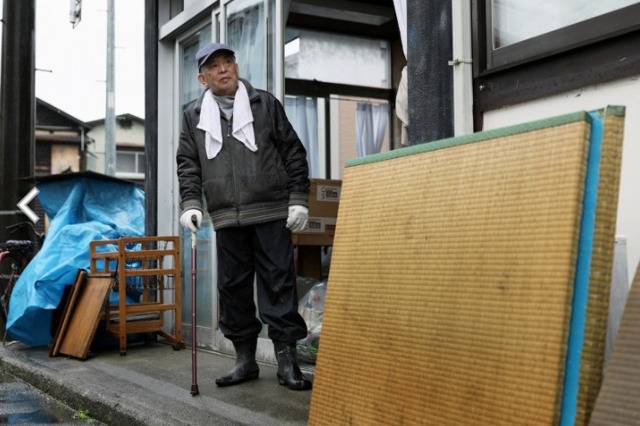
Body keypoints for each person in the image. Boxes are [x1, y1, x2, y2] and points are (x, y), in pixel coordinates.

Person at [176, 42, 312, 391]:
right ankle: (245, 361)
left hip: (269, 210)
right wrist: (191, 204)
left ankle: (287, 362)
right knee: (233, 289)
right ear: (202, 77)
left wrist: (298, 199)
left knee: (278, 283)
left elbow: (293, 151)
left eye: (228, 62)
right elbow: (188, 165)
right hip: (226, 217)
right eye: (215, 66)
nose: (224, 69)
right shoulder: (193, 116)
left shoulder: (264, 103)